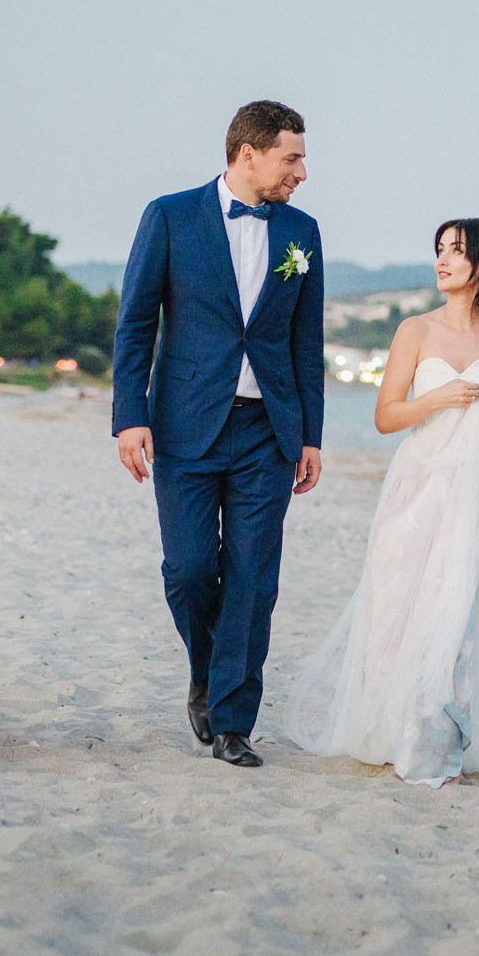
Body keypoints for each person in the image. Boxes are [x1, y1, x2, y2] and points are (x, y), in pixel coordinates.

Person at [284, 218, 479, 785]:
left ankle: (437, 743)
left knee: (459, 612)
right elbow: (386, 416)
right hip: (420, 483)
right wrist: (436, 399)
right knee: (397, 605)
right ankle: (390, 728)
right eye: (439, 249)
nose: (441, 260)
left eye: (455, 251)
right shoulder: (415, 330)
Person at [112, 101, 325, 768]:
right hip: (184, 424)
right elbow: (135, 323)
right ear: (247, 153)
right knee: (190, 569)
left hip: (269, 429)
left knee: (254, 579)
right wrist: (130, 415)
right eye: (292, 158)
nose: (301, 173)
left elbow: (306, 341)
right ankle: (206, 670)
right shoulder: (170, 216)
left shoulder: (302, 232)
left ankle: (233, 722)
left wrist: (311, 434)